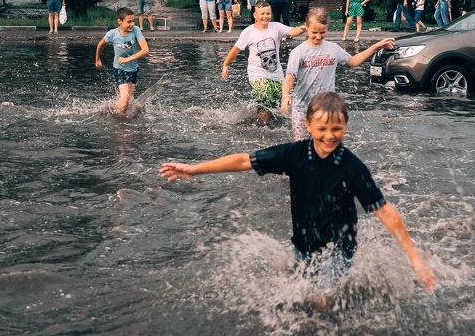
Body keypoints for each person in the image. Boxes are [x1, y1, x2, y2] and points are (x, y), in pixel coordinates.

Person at [159, 91, 435, 301]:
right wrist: (194, 170)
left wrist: (414, 257)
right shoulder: (294, 154)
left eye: (336, 129)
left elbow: (383, 210)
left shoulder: (352, 168)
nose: (329, 136)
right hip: (304, 241)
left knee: (321, 296)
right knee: (301, 287)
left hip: (340, 245)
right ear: (309, 125)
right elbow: (245, 160)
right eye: (322, 129)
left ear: (346, 127)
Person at [281, 7, 394, 141]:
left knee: (326, 145)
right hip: (302, 108)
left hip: (327, 108)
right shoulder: (298, 52)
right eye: (314, 32)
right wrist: (285, 95)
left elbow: (353, 61)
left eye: (322, 32)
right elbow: (289, 78)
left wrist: (376, 46)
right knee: (302, 147)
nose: (318, 36)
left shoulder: (333, 48)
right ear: (306, 27)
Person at [222, 1, 306, 115]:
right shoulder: (249, 32)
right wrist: (226, 65)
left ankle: (262, 118)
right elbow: (236, 50)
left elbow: (293, 31)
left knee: (278, 103)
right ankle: (263, 128)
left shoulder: (276, 27)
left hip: (277, 74)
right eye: (262, 14)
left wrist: (304, 27)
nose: (265, 16)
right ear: (255, 15)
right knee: (265, 95)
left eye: (268, 14)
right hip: (257, 73)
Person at [94, 7, 149, 114]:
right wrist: (97, 60)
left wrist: (127, 59)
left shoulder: (136, 30)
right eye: (129, 22)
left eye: (133, 21)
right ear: (120, 21)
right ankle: (118, 122)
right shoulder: (112, 34)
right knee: (125, 97)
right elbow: (100, 44)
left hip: (133, 69)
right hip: (120, 69)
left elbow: (145, 50)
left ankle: (117, 110)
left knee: (129, 98)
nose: (132, 24)